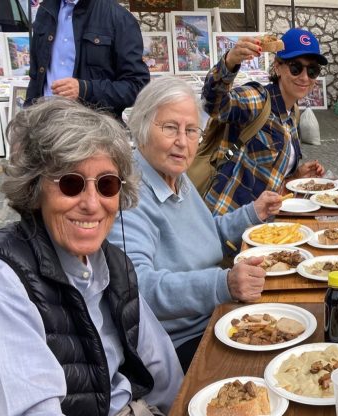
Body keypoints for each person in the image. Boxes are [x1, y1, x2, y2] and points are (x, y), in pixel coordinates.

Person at [0, 98, 247, 416]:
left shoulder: (110, 261)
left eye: (107, 184)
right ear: (35, 188)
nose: (92, 203)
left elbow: (165, 374)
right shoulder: (1, 278)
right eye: (70, 183)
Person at [108, 77, 282, 372]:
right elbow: (139, 289)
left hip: (217, 315)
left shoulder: (175, 176)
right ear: (140, 128)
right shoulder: (129, 196)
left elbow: (204, 234)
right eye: (170, 128)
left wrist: (252, 213)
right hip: (179, 343)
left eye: (191, 131)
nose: (182, 142)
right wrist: (223, 283)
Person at [202, 28, 326, 216]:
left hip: (260, 226)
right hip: (227, 221)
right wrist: (230, 62)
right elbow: (214, 104)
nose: (304, 77)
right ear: (278, 67)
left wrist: (297, 176)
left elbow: (270, 180)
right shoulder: (258, 98)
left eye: (313, 70)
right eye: (296, 68)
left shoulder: (293, 113)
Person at [25, 0, 149, 119]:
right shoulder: (45, 10)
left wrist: (85, 90)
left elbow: (136, 86)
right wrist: (26, 121)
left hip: (92, 132)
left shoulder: (118, 17)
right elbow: (36, 77)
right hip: (44, 126)